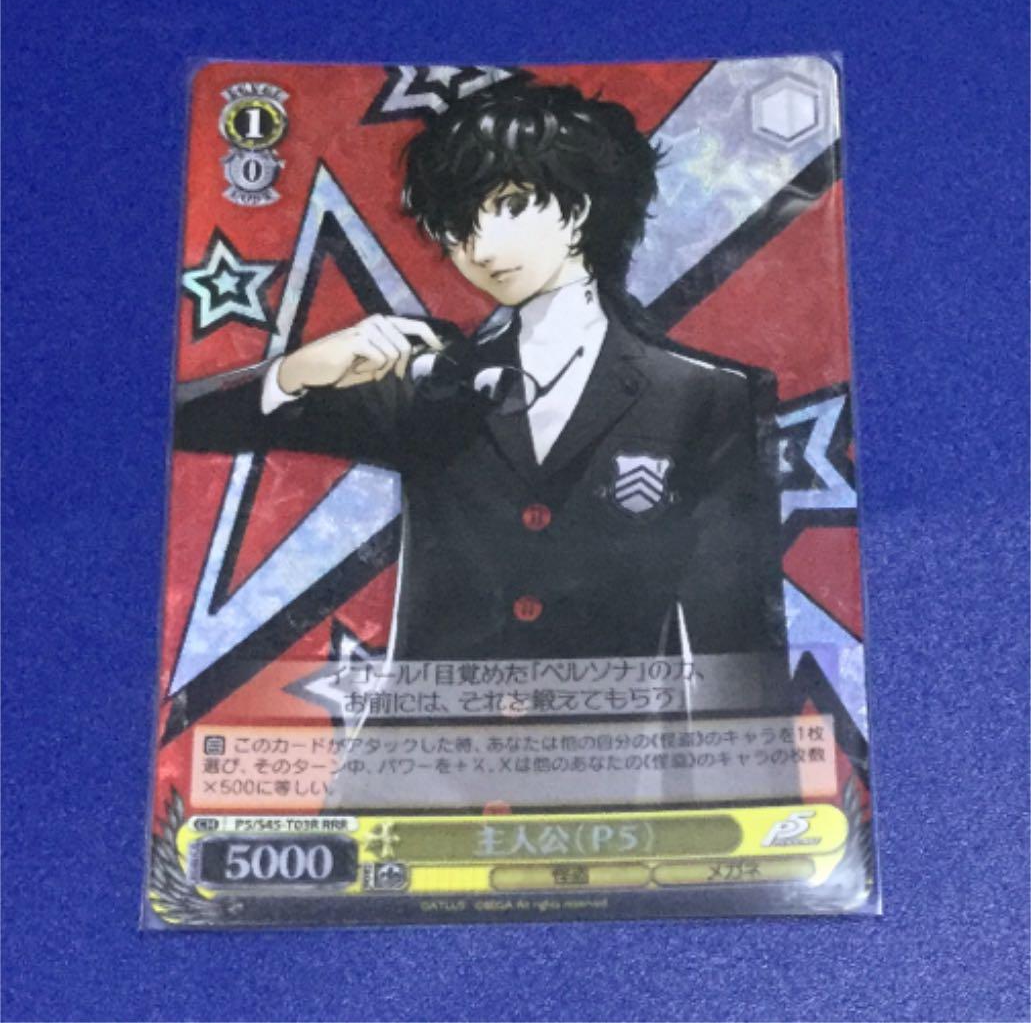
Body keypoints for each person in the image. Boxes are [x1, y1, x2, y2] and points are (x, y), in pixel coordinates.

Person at [175, 80, 788, 710]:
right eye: (456, 226)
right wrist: (295, 371)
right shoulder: (428, 377)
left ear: (578, 206)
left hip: (608, 756)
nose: (481, 247)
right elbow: (181, 424)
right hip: (423, 759)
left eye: (512, 204)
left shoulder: (702, 398)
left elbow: (737, 639)